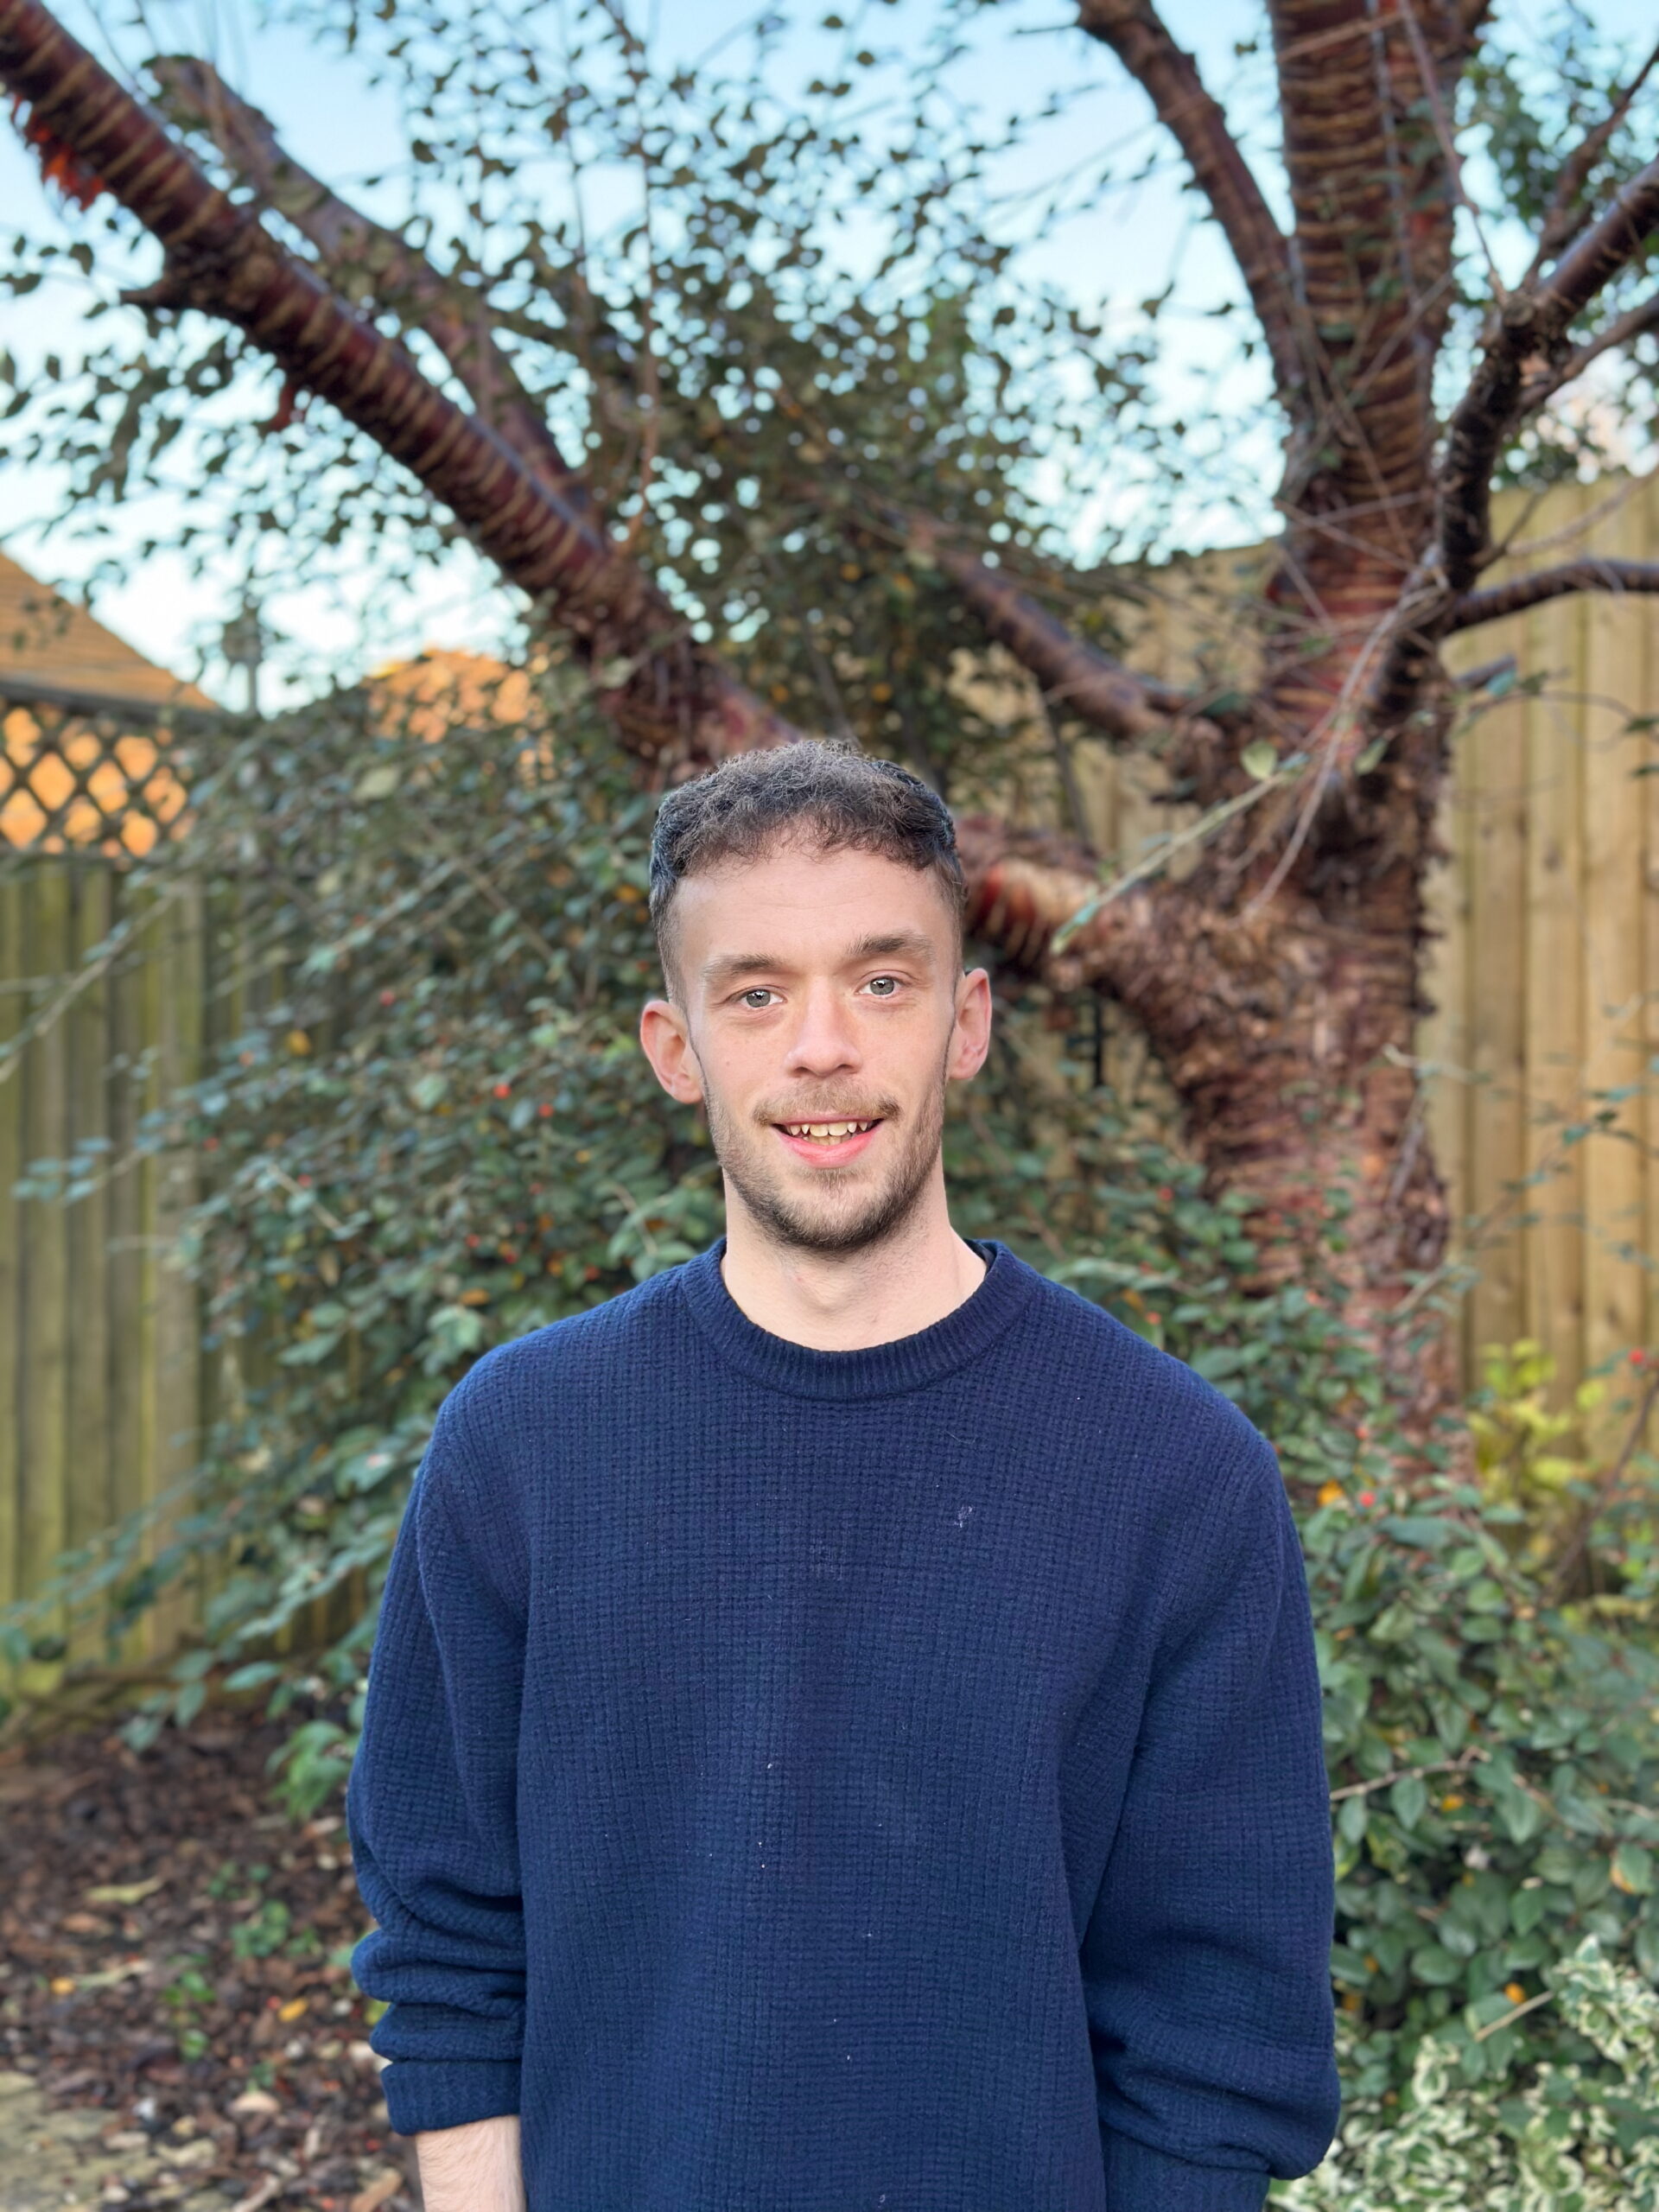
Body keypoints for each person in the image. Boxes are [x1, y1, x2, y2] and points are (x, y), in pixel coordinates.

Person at [346, 741, 1340, 2211]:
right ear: (676, 1046)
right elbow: (450, 1956)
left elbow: (1216, 2048)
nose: (823, 1047)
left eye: (882, 980)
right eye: (756, 993)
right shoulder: (521, 1445)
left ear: (965, 1020)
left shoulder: (1174, 1475)